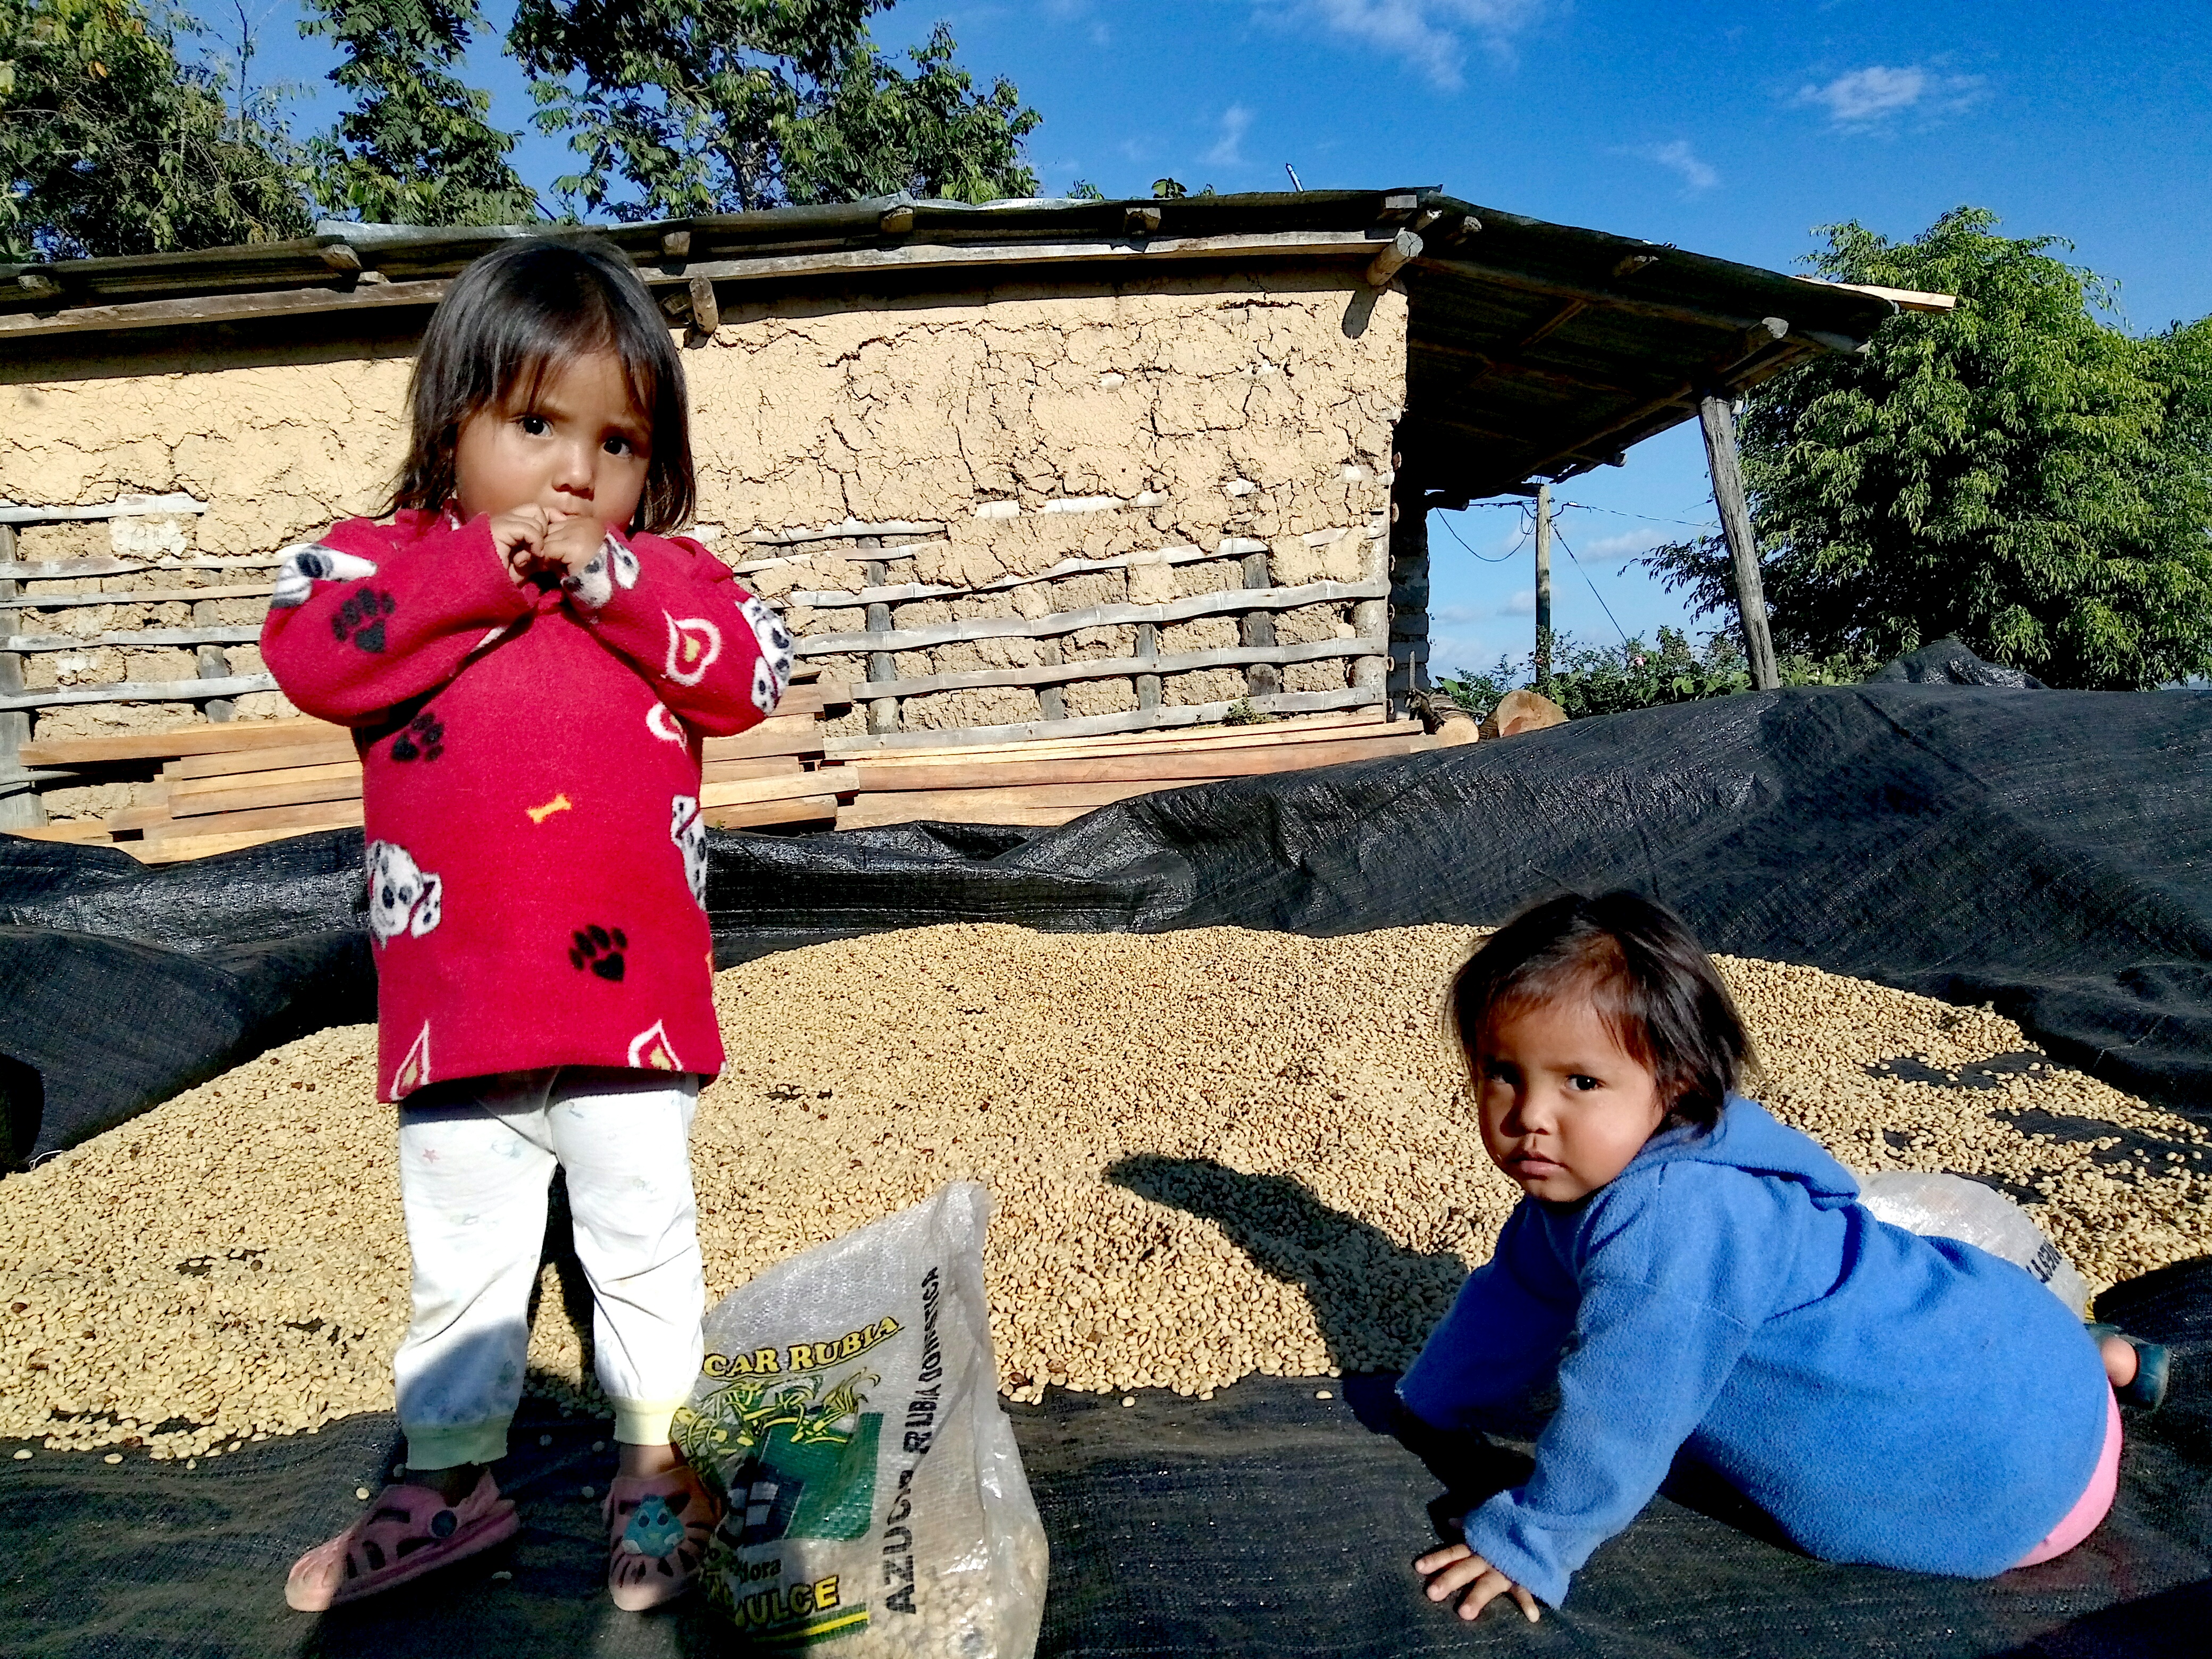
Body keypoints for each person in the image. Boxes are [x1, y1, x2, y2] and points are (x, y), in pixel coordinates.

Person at [263, 237, 795, 1613]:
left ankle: (653, 1470)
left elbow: (752, 676)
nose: (578, 474)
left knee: (641, 1252)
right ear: (451, 430)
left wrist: (616, 585)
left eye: (616, 442)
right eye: (537, 426)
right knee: (466, 1264)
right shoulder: (381, 569)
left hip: (633, 1021)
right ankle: (449, 1485)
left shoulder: (669, 580)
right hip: (460, 1016)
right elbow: (311, 653)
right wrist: (483, 570)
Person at [1400, 890, 2167, 1625]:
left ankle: (2091, 1370)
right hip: (2028, 1351)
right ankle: (2101, 1359)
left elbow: (1626, 1406)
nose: (1532, 1116)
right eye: (1503, 1073)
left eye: (1581, 1082)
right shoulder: (1599, 1173)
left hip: (2024, 1491)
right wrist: (1430, 1401)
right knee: (1933, 1306)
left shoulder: (1671, 1222)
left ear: (1677, 1084)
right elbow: (1518, 1294)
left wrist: (1534, 1542)